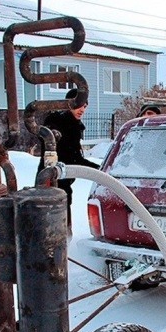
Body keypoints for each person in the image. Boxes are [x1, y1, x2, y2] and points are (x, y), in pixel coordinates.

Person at [38, 88, 99, 236]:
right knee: (52, 215)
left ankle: (65, 244)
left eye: (85, 106)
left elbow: (75, 158)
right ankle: (59, 242)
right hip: (51, 179)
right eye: (79, 105)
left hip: (63, 181)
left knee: (61, 214)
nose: (82, 109)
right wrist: (99, 169)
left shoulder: (74, 126)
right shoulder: (57, 122)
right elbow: (73, 158)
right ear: (69, 104)